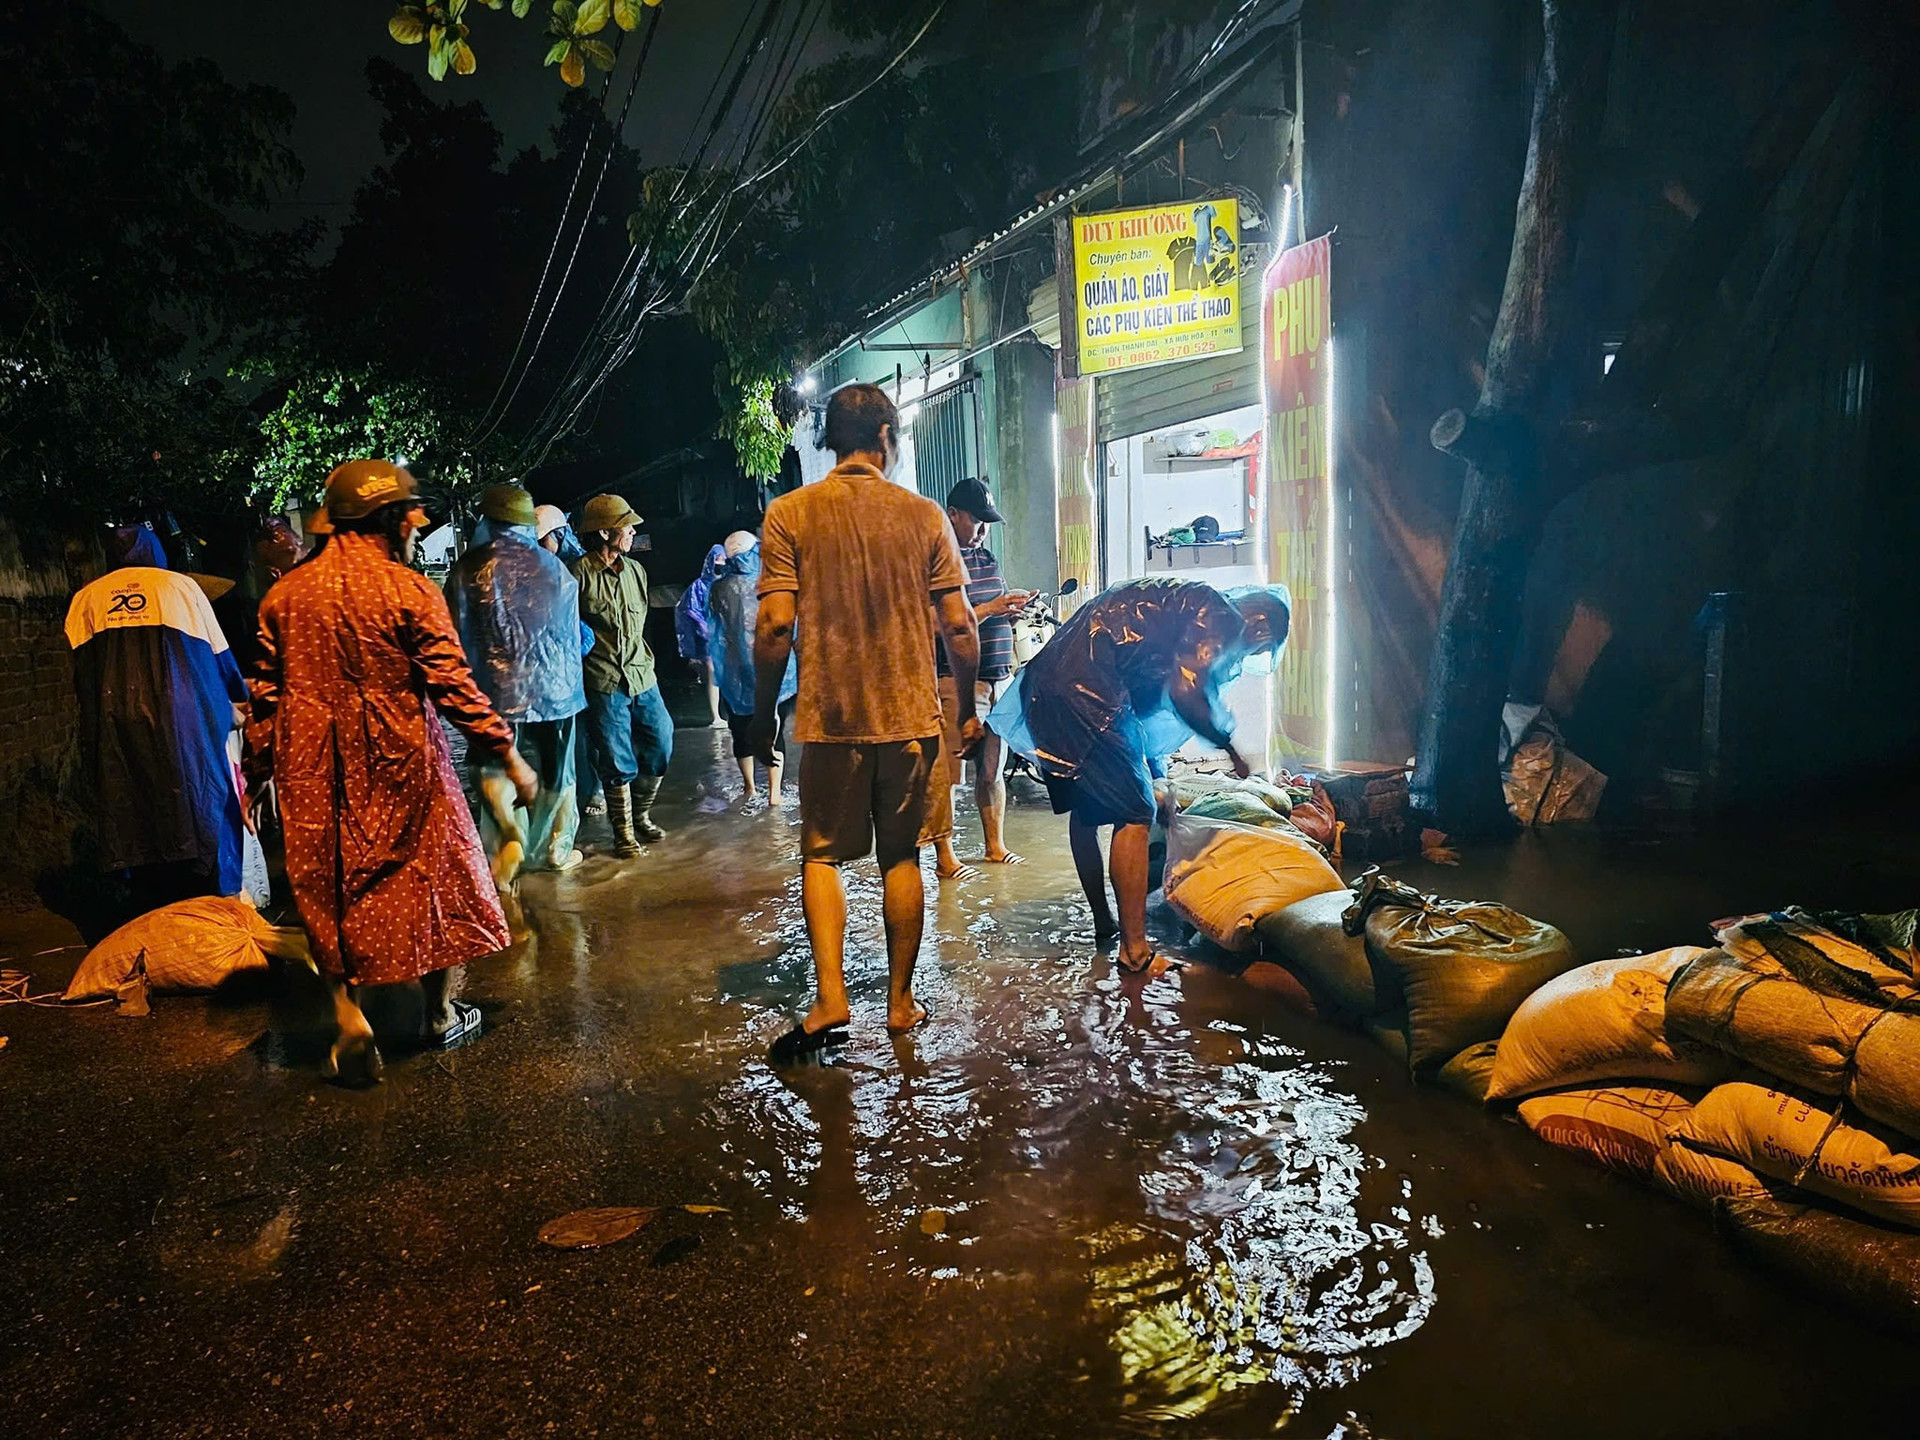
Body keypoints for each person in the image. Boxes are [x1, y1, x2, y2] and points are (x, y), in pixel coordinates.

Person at [245, 460, 538, 1086]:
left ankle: (349, 1016)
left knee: (328, 892)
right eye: (409, 514)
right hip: (400, 759)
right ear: (387, 519)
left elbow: (264, 697)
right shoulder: (409, 591)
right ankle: (437, 1014)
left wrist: (257, 773)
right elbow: (452, 687)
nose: (416, 524)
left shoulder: (284, 597)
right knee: (432, 880)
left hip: (309, 766)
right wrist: (508, 753)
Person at [754, 382, 981, 1064]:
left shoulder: (789, 514)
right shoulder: (924, 517)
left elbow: (772, 626)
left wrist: (762, 713)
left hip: (829, 722)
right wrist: (965, 710)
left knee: (821, 856)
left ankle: (830, 1000)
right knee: (901, 858)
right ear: (886, 436)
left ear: (830, 439)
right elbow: (962, 628)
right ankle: (901, 1004)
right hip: (911, 719)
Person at [991, 577, 1290, 978]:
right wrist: (1231, 748)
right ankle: (1135, 952)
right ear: (1261, 627)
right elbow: (1186, 693)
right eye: (1258, 649)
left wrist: (1157, 773)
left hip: (1045, 689)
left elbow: (1147, 703)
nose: (1244, 654)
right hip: (1089, 695)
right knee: (1136, 810)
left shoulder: (1180, 601)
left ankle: (1105, 921)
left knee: (1087, 809)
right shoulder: (1219, 616)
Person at [66, 524, 251, 913]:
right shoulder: (181, 589)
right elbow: (221, 659)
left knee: (132, 811)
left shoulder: (84, 600)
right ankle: (216, 909)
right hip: (186, 723)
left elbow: (82, 674)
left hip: (115, 723)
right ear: (157, 553)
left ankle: (152, 910)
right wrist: (238, 698)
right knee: (203, 807)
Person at [445, 484, 588, 882]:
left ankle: (505, 862)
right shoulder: (554, 568)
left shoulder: (468, 570)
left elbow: (452, 636)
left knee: (497, 774)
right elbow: (569, 637)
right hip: (558, 697)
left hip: (494, 698)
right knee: (559, 776)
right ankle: (555, 851)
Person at [923, 477, 1036, 879]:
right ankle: (945, 857)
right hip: (956, 682)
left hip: (999, 677)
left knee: (992, 769)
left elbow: (988, 606)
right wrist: (989, 608)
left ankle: (994, 846)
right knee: (949, 773)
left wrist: (1011, 610)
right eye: (977, 520)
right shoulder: (935, 560)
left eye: (988, 522)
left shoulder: (986, 558)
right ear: (952, 515)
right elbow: (931, 623)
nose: (983, 529)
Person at [574, 493, 673, 857]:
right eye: (625, 525)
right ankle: (624, 833)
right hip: (603, 679)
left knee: (662, 740)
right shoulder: (578, 574)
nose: (632, 531)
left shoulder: (636, 572)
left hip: (641, 674)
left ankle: (642, 815)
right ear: (603, 533)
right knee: (616, 758)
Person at [707, 530, 794, 804]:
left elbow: (716, 630)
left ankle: (749, 788)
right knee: (773, 726)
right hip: (770, 667)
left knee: (740, 728)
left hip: (735, 672)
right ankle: (775, 794)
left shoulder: (719, 588)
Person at [536, 503, 603, 819]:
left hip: (578, 666)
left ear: (559, 535)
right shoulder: (540, 569)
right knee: (558, 739)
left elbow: (587, 629)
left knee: (583, 734)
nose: (539, 546)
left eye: (544, 538)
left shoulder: (576, 569)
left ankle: (592, 790)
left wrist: (568, 653)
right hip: (554, 671)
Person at [675, 542, 726, 728]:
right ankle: (716, 716)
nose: (720, 564)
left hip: (723, 636)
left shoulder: (725, 583)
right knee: (713, 674)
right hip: (708, 638)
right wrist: (706, 629)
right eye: (717, 560)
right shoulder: (699, 586)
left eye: (723, 560)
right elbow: (690, 610)